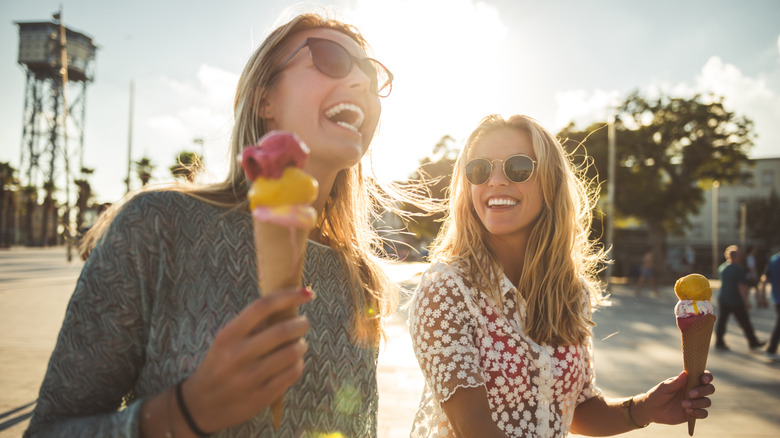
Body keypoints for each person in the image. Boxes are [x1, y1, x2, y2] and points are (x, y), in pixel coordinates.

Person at [25, 12, 402, 437]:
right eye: (331, 59)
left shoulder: (360, 276)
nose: (362, 83)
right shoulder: (157, 225)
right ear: (265, 99)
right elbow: (48, 431)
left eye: (372, 74)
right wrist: (184, 411)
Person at [408, 114, 715, 437]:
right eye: (479, 169)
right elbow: (473, 426)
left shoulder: (571, 291)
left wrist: (643, 408)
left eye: (518, 167)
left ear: (551, 183)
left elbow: (576, 410)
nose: (495, 180)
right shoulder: (446, 288)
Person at [714, 245, 766, 351]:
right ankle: (753, 341)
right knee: (745, 322)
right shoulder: (738, 269)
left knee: (722, 321)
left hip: (723, 297)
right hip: (735, 300)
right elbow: (741, 286)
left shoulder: (722, 267)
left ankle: (719, 341)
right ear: (736, 256)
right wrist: (746, 301)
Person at [760, 250, 780, 360]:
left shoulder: (773, 260)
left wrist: (762, 295)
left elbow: (764, 279)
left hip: (776, 297)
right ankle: (771, 348)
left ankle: (771, 348)